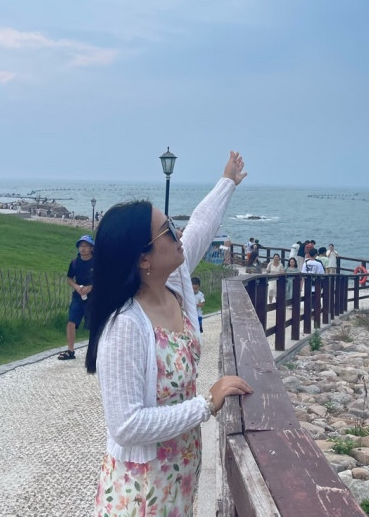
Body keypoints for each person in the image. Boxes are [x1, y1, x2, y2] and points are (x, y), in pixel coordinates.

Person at [85, 151, 253, 517]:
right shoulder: (125, 325)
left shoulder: (173, 285)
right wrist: (206, 404)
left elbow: (201, 226)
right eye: (168, 231)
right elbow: (126, 425)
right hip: (141, 493)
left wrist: (227, 181)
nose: (179, 234)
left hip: (177, 478)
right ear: (143, 259)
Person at [58, 234, 95, 360]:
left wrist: (90, 288)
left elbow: (102, 278)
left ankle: (94, 350)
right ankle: (70, 350)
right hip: (78, 295)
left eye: (86, 246)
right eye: (81, 246)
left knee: (94, 324)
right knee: (71, 321)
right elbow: (69, 278)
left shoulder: (97, 262)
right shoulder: (74, 263)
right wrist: (76, 287)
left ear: (91, 248)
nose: (83, 248)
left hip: (93, 296)